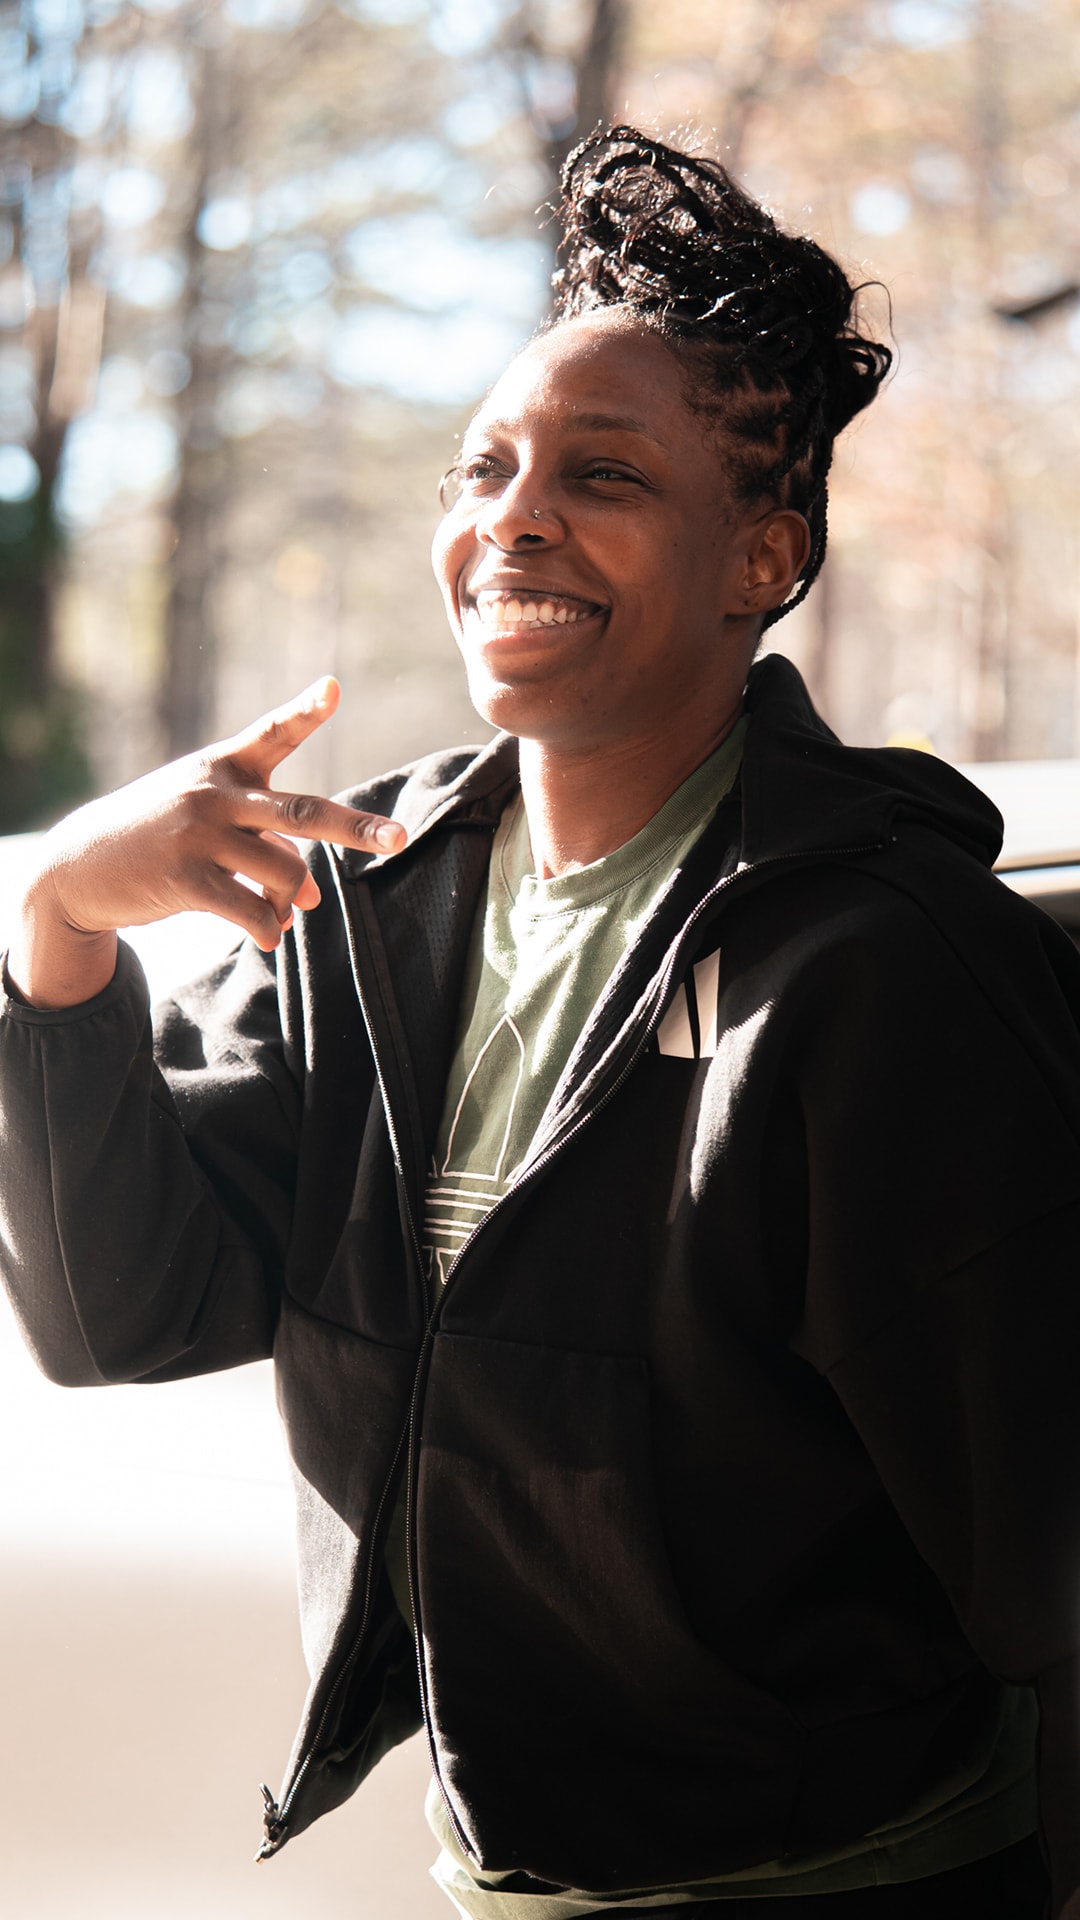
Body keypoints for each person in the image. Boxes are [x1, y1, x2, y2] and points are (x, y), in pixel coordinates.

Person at [2, 127, 1080, 1918]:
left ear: (764, 556)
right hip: (500, 1884)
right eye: (482, 464)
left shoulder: (880, 963)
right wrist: (56, 926)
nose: (513, 514)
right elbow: (124, 1314)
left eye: (603, 474)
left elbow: (1050, 1569)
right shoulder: (374, 904)